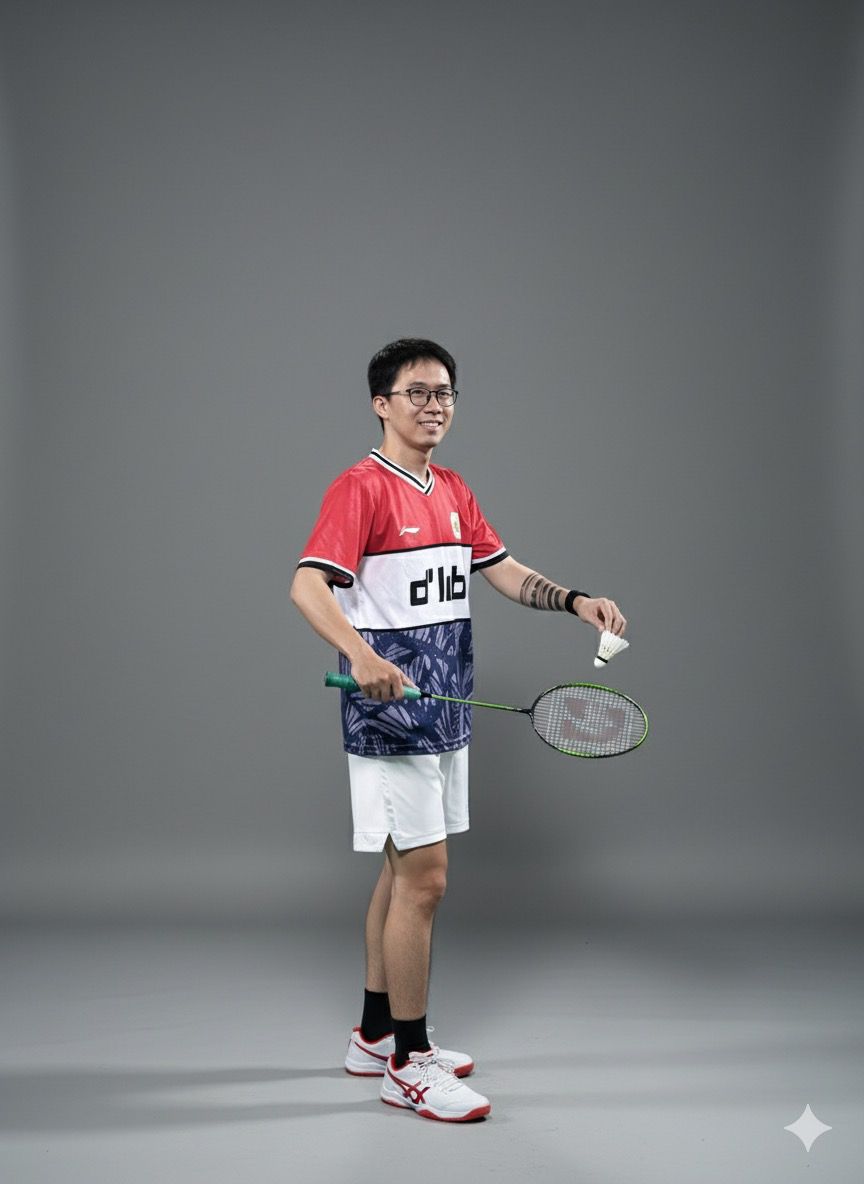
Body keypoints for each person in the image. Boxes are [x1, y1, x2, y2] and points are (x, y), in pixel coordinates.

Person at [290, 338, 626, 1122]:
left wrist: (575, 600)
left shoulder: (452, 489)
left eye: (444, 392)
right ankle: (408, 1064)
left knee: (399, 870)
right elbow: (307, 586)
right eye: (417, 392)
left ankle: (375, 1035)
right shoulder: (360, 488)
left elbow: (500, 568)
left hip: (448, 711)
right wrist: (361, 654)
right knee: (426, 879)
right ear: (381, 404)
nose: (434, 405)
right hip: (393, 717)